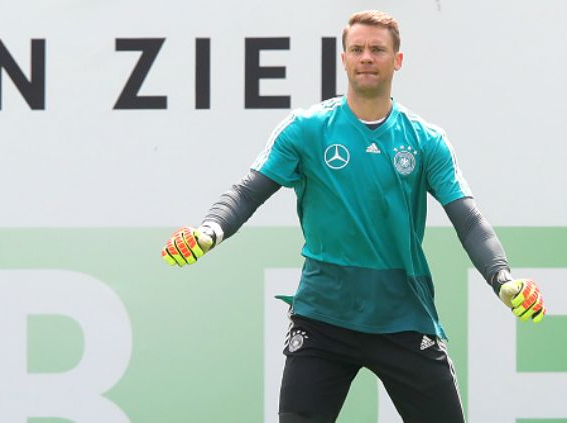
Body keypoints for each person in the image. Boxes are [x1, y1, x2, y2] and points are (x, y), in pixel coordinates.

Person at [161, 10, 546, 423]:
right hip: (323, 318)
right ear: (342, 58)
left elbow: (468, 220)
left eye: (378, 49)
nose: (367, 57)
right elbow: (246, 192)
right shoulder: (306, 129)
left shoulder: (425, 140)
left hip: (403, 316)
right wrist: (208, 231)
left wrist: (502, 279)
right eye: (357, 49)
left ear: (397, 60)